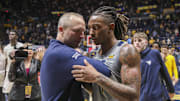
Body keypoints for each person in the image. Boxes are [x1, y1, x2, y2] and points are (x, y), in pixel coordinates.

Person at [72, 6, 141, 101]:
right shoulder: (92, 54)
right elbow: (97, 90)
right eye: (90, 28)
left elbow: (133, 96)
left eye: (96, 28)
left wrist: (97, 77)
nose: (91, 33)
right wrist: (84, 80)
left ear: (110, 27)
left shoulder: (126, 51)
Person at [40, 12, 111, 101]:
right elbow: (106, 70)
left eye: (83, 32)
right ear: (61, 30)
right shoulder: (60, 53)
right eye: (77, 31)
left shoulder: (54, 49)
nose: (82, 36)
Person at [132, 32, 174, 101]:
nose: (136, 43)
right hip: (143, 97)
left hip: (160, 97)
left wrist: (171, 90)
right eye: (135, 41)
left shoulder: (154, 53)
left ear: (146, 42)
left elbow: (165, 73)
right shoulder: (133, 59)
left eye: (139, 40)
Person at [3, 30, 24, 101]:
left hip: (19, 73)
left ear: (17, 36)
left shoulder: (21, 46)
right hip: (9, 72)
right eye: (10, 34)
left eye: (13, 34)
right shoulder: (6, 48)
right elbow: (5, 62)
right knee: (7, 92)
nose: (11, 35)